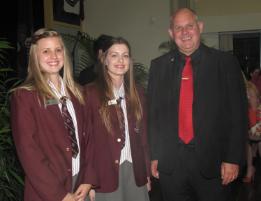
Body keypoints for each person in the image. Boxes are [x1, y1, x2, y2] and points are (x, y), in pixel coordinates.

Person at [147, 8, 248, 201]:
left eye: (189, 26)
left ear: (199, 27)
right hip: (171, 166)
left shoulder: (225, 63)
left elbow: (238, 115)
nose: (185, 32)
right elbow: (154, 116)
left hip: (215, 164)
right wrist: (154, 155)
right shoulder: (159, 66)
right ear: (171, 33)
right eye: (178, 28)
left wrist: (233, 159)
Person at [11, 28, 97, 201]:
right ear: (35, 57)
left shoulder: (79, 93)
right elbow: (29, 152)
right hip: (49, 190)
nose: (54, 56)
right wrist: (60, 195)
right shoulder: (24, 96)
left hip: (81, 186)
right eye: (46, 51)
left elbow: (90, 140)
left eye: (58, 50)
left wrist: (89, 180)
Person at [84, 37, 151, 201]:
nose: (120, 60)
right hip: (104, 173)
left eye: (125, 55)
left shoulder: (138, 93)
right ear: (104, 59)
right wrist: (89, 181)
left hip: (135, 170)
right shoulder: (90, 93)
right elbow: (86, 140)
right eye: (114, 55)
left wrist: (146, 173)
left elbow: (143, 137)